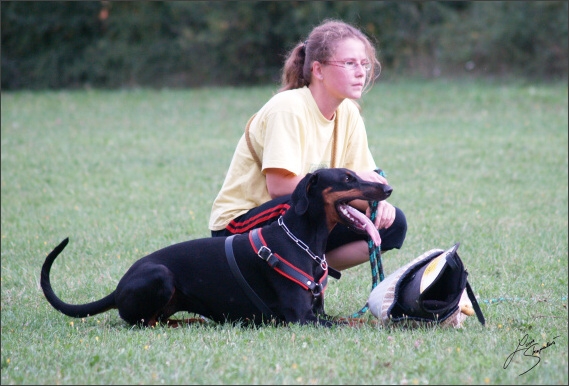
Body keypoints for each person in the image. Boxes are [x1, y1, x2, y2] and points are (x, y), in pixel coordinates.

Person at [209, 19, 406, 272]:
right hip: (237, 228)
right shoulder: (288, 108)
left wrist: (374, 205)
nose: (360, 72)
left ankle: (307, 272)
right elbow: (280, 187)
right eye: (349, 63)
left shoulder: (349, 113)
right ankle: (296, 273)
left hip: (290, 216)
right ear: (318, 70)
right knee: (304, 201)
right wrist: (357, 182)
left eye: (364, 64)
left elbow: (355, 188)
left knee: (392, 224)